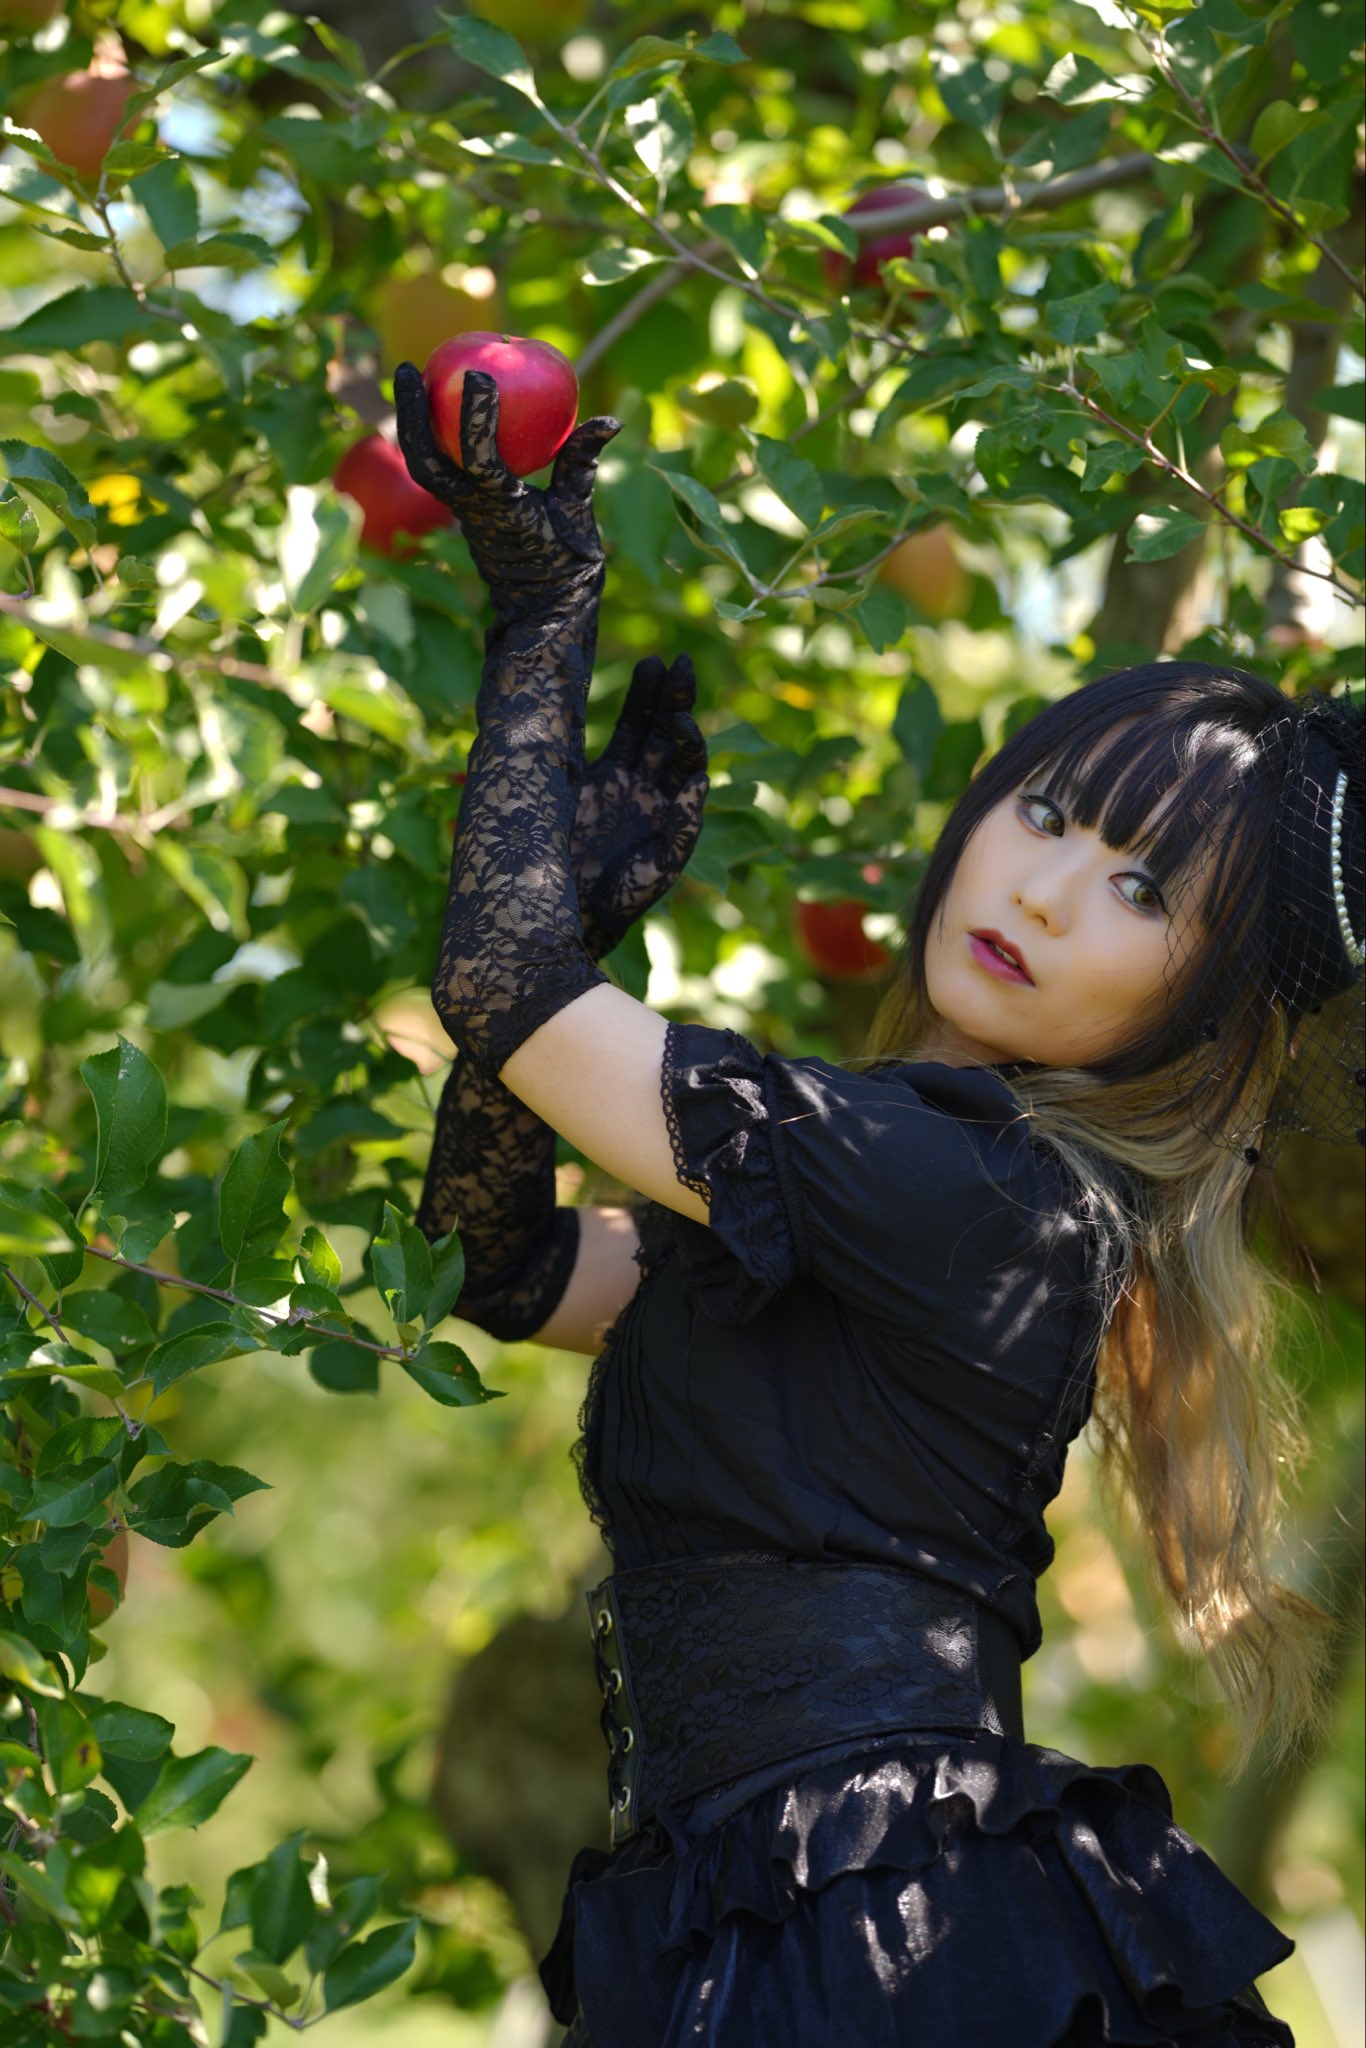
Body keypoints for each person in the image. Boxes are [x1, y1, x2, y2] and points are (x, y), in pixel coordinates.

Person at [393, 359, 1364, 2048]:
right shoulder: (879, 1184)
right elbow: (502, 1268)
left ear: (1198, 1006)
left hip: (879, 1918)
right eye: (1047, 811)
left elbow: (497, 979)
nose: (1048, 892)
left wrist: (540, 618)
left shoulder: (988, 1199)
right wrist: (587, 941)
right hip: (766, 1894)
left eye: (1139, 887)